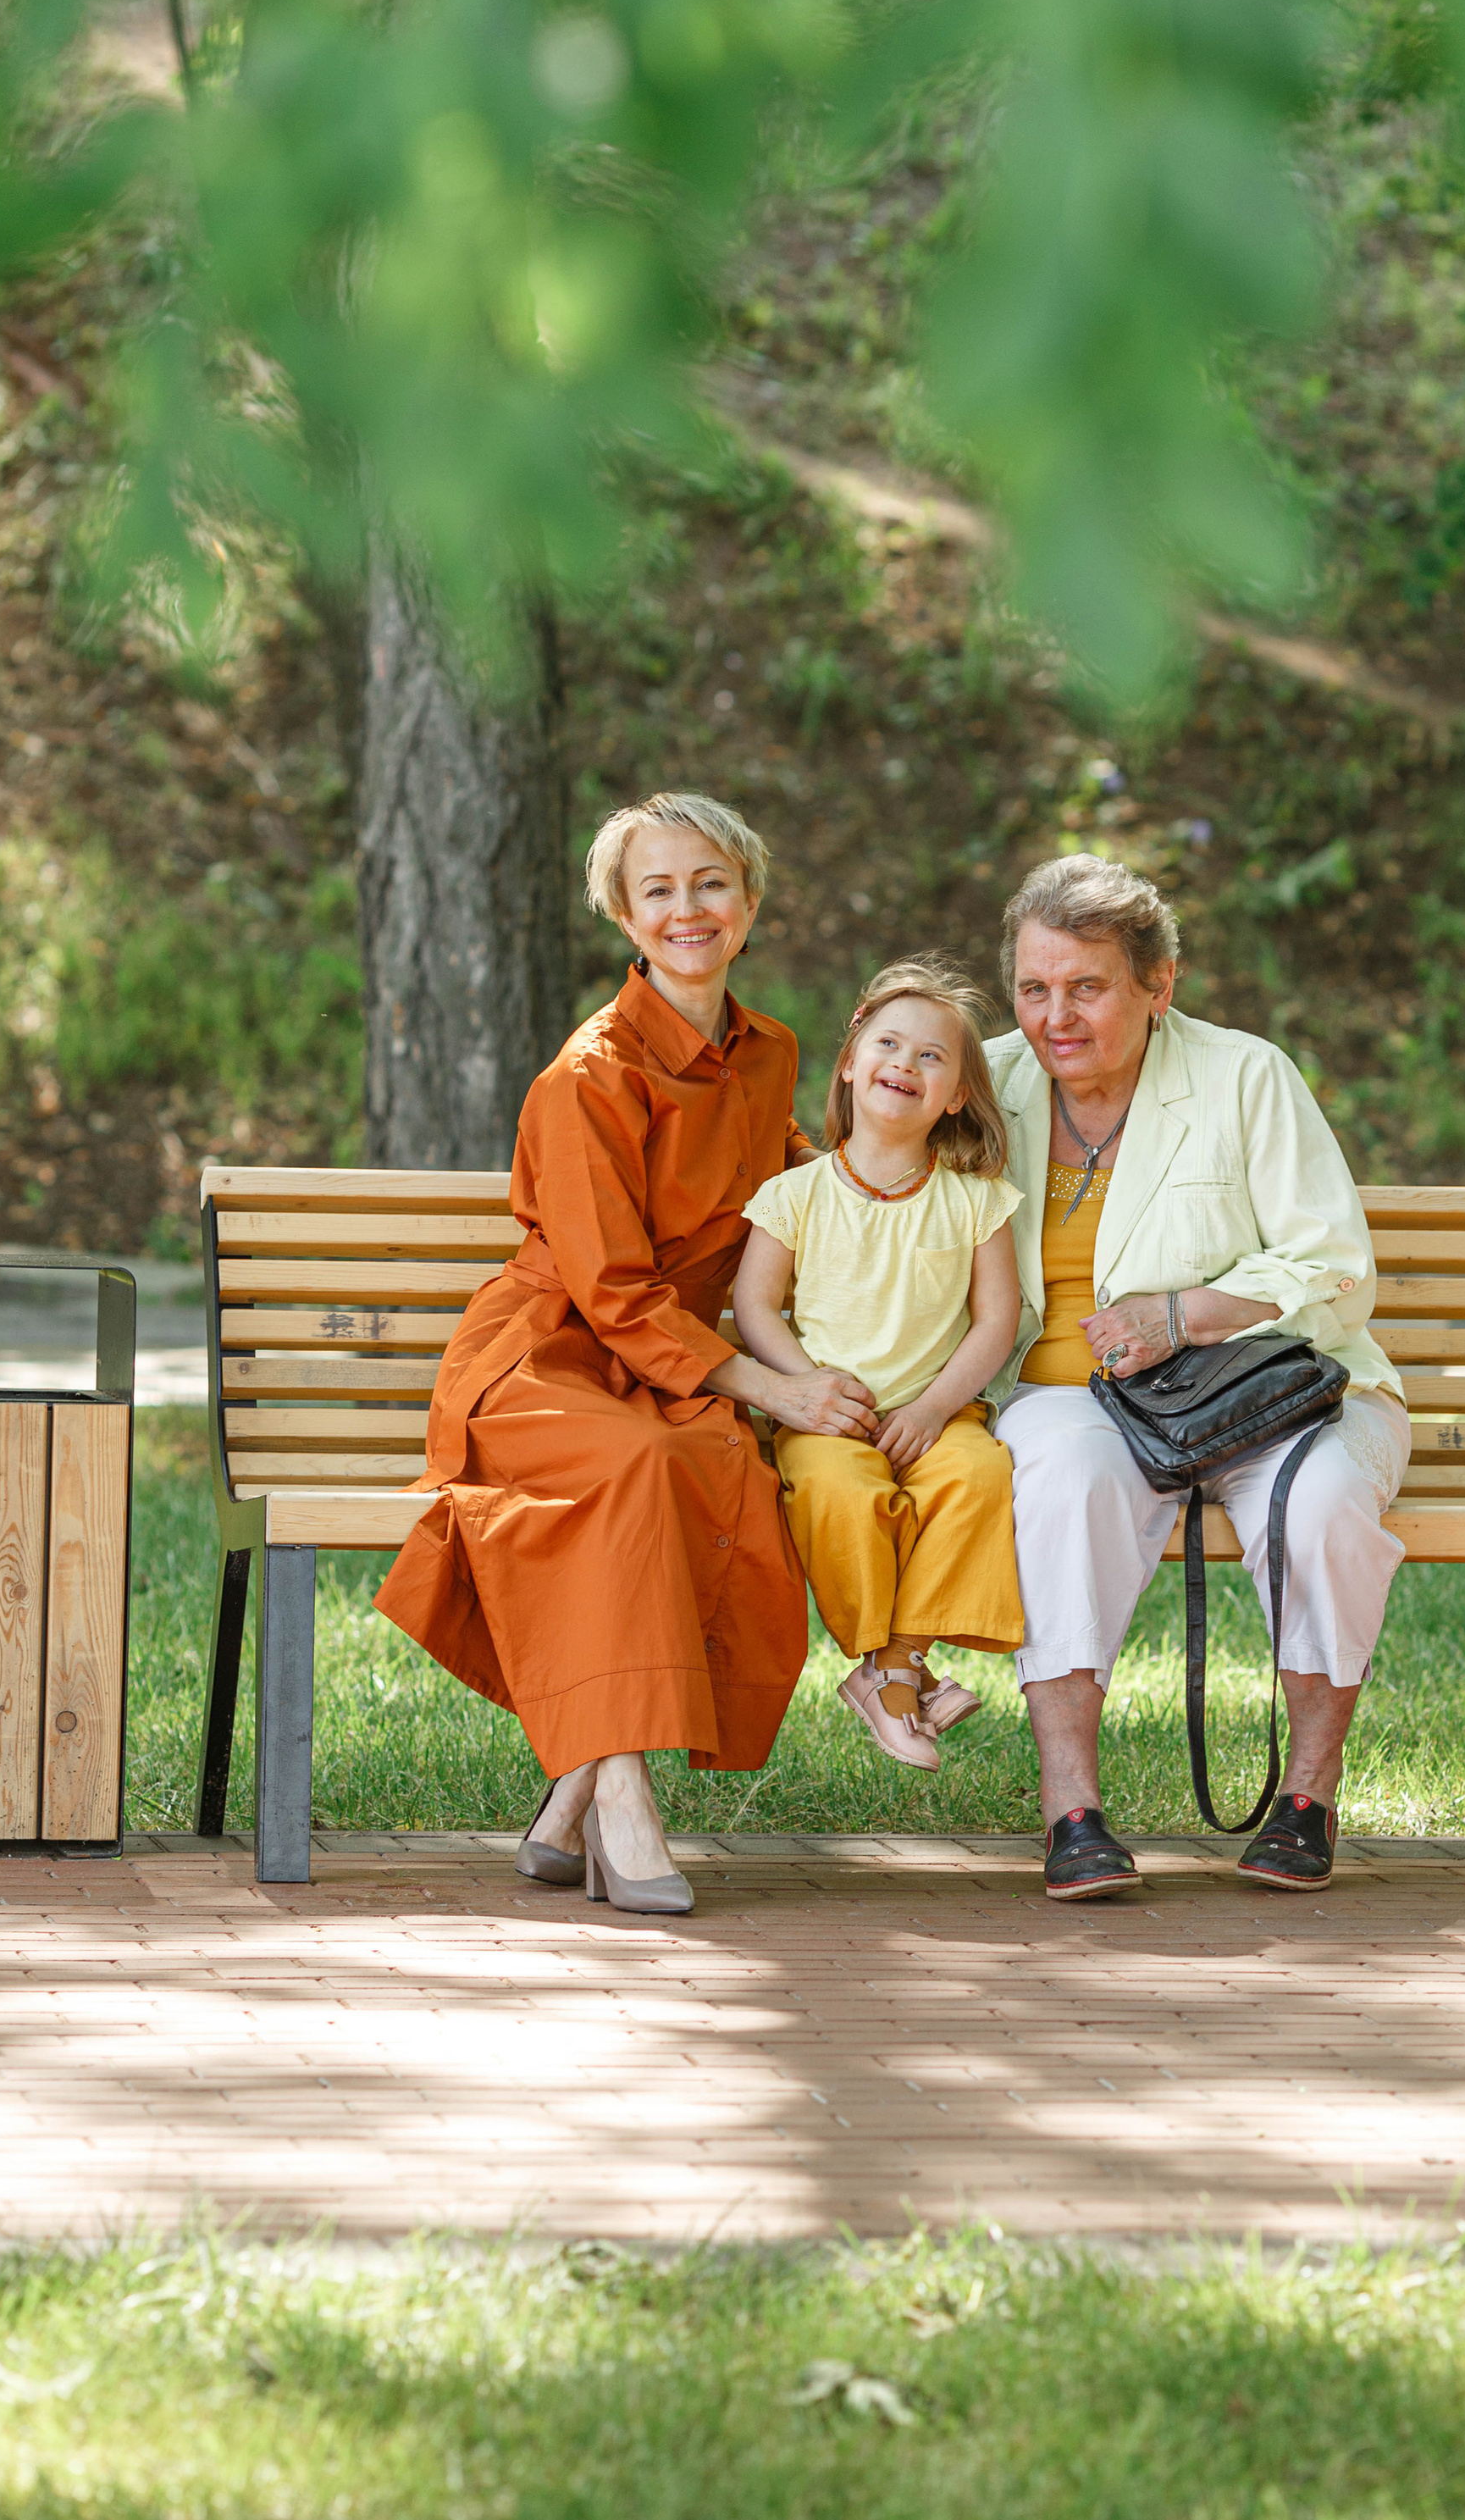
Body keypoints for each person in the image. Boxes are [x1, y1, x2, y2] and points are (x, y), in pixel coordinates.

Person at [374, 789, 878, 1918]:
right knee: (637, 1475)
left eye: (711, 883)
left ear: (748, 899)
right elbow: (607, 1289)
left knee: (724, 1478)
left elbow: (795, 1196)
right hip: (550, 1358)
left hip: (675, 1360)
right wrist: (769, 1384)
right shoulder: (585, 1078)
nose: (688, 909)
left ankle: (574, 1789)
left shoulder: (771, 1053)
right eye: (658, 889)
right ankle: (626, 1803)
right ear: (622, 914)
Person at [981, 852, 1412, 1902]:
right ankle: (1071, 1813)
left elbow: (1332, 1265)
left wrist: (1186, 1314)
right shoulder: (983, 1079)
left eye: (1087, 987)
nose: (1056, 1017)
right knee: (1063, 1484)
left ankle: (1307, 1795)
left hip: (1273, 1390)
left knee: (1322, 1508)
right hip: (1064, 1399)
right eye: (1035, 990)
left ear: (1158, 985)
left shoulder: (1244, 1075)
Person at [733, 959, 1024, 1770]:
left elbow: (996, 1320)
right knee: (839, 1492)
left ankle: (895, 1664)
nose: (906, 1063)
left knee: (980, 1477)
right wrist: (803, 1385)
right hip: (828, 1419)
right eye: (889, 1044)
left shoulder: (975, 1197)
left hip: (938, 1415)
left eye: (933, 1057)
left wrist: (933, 1410)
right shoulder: (797, 1192)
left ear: (958, 1094)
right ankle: (895, 1670)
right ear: (852, 1063)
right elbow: (757, 1305)